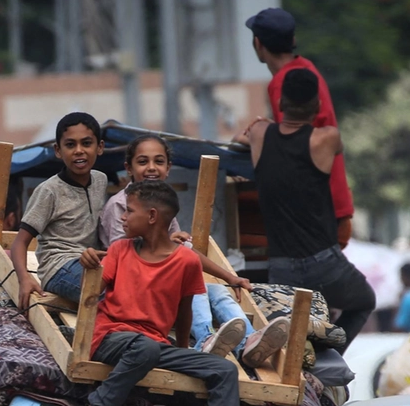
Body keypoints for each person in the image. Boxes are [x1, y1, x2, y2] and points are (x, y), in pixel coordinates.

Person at [74, 181, 259, 406]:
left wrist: (185, 353)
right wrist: (89, 262)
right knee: (145, 348)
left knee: (223, 369)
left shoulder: (186, 261)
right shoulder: (119, 250)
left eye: (129, 211)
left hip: (154, 346)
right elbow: (92, 292)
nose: (123, 218)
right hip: (111, 337)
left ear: (151, 216)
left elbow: (184, 311)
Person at [94, 134, 287, 367]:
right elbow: (125, 251)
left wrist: (230, 277)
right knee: (192, 284)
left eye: (159, 161)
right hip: (133, 290)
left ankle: (249, 340)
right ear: (129, 168)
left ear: (168, 168)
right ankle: (205, 339)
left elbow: (183, 250)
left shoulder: (162, 202)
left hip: (157, 282)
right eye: (143, 162)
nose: (151, 168)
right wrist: (171, 244)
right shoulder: (121, 205)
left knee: (218, 291)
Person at [242, 69, 376, 350]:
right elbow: (330, 137)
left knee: (290, 339)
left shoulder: (258, 133)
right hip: (325, 264)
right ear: (316, 105)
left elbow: (238, 138)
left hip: (281, 267)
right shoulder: (325, 139)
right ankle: (330, 353)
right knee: (365, 301)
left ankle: (307, 364)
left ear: (279, 104)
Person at [245, 7, 355, 246]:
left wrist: (252, 137)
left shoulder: (286, 83)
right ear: (293, 40)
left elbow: (291, 143)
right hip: (333, 205)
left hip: (321, 213)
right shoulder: (305, 69)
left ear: (257, 43)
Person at [9, 112, 108, 310]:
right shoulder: (49, 191)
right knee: (107, 296)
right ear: (58, 150)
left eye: (86, 143)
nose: (79, 151)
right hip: (59, 267)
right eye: (70, 145)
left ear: (100, 147)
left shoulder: (100, 180)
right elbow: (19, 243)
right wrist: (24, 280)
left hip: (91, 262)